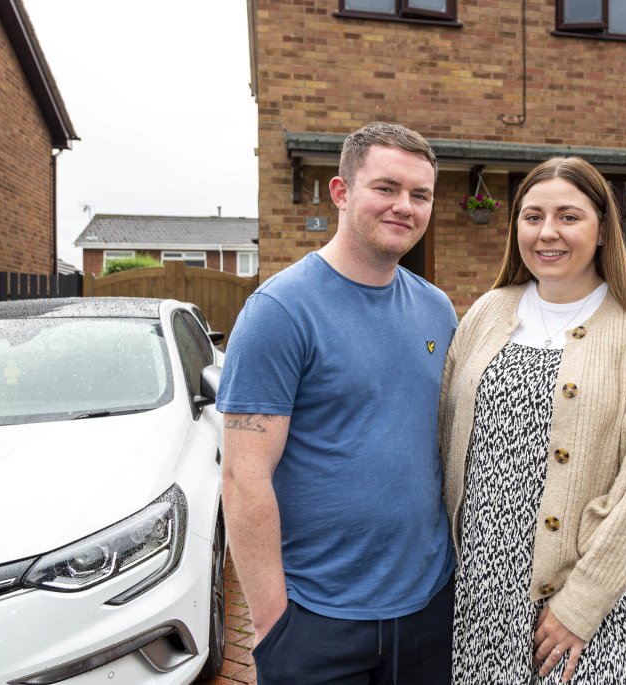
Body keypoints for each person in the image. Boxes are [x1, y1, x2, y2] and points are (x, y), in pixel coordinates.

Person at [217, 122, 457, 685]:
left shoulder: (437, 310)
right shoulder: (281, 311)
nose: (405, 206)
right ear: (341, 192)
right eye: (386, 188)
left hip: (427, 607)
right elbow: (243, 476)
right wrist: (274, 624)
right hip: (317, 616)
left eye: (420, 195)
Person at [440, 157, 626, 684]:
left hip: (586, 602)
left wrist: (581, 604)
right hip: (483, 598)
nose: (547, 232)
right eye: (532, 217)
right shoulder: (487, 314)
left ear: (602, 228)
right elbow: (446, 441)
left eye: (568, 217)